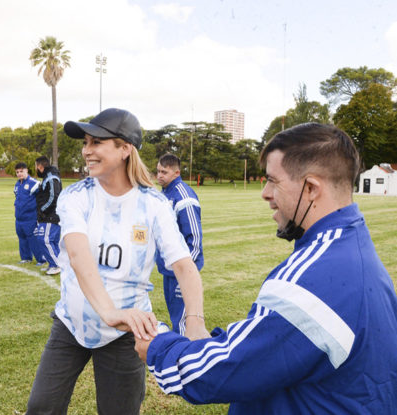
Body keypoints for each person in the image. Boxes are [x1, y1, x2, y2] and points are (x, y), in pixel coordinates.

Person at [136, 123, 397, 414]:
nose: (265, 192)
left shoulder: (313, 278)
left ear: (311, 188)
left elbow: (218, 374)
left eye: (273, 181)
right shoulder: (354, 247)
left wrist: (156, 343)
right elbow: (271, 348)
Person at [24, 108, 210, 415]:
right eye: (85, 142)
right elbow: (78, 257)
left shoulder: (155, 205)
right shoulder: (75, 197)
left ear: (125, 149)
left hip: (127, 333)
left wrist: (195, 323)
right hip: (71, 324)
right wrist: (109, 312)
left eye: (96, 142)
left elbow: (184, 267)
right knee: (41, 407)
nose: (86, 150)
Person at [156, 153, 203, 334]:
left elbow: (195, 238)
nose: (159, 175)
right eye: (158, 171)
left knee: (184, 320)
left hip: (182, 269)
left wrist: (185, 268)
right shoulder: (164, 194)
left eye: (164, 172)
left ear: (176, 173)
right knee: (175, 315)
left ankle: (187, 357)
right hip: (168, 268)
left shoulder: (184, 197)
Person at [34, 156, 62, 275]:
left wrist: (43, 210)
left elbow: (53, 197)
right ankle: (53, 263)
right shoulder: (47, 177)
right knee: (52, 242)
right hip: (48, 215)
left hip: (51, 216)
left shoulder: (51, 178)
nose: (35, 169)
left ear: (40, 166)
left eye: (36, 166)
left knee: (45, 240)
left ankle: (57, 265)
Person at [14, 162, 44, 264]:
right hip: (19, 218)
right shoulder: (17, 184)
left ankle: (41, 259)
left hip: (30, 218)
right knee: (22, 238)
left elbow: (41, 199)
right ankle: (26, 258)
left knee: (33, 239)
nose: (19, 174)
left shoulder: (34, 183)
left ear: (26, 170)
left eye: (21, 171)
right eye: (17, 172)